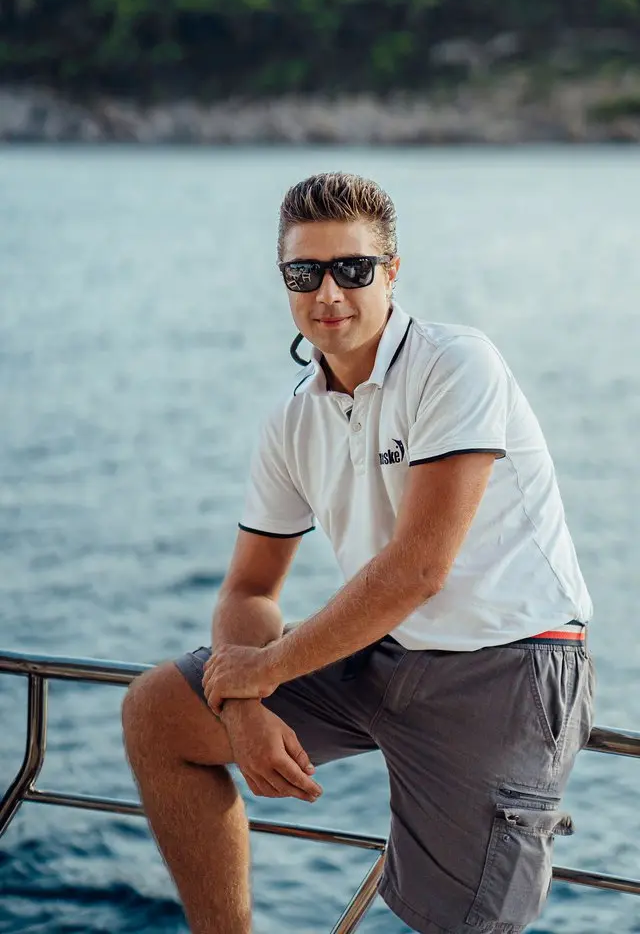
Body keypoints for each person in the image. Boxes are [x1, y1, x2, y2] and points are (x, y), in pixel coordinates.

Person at [121, 172, 595, 934]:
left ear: (392, 273)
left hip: (507, 666)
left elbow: (419, 569)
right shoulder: (292, 421)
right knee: (157, 716)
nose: (329, 292)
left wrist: (268, 668)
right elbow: (249, 589)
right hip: (384, 650)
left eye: (352, 268)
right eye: (304, 273)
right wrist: (242, 707)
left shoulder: (456, 364)